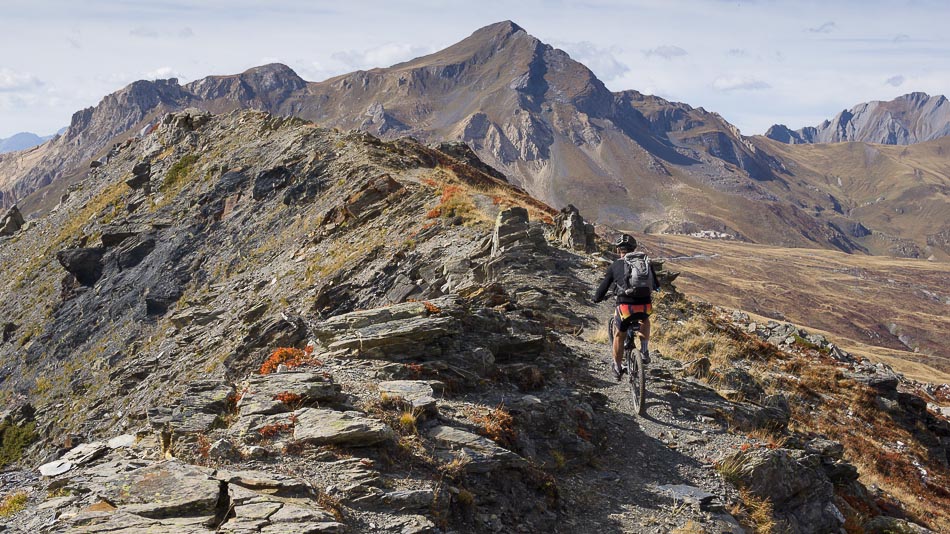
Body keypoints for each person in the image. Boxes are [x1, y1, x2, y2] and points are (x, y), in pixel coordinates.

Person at [592, 234, 660, 381]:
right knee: (645, 320)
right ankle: (644, 350)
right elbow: (656, 285)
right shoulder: (646, 263)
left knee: (619, 334)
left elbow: (603, 287)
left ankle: (617, 366)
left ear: (618, 250)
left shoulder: (615, 265)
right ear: (634, 249)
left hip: (625, 307)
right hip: (645, 305)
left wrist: (596, 298)